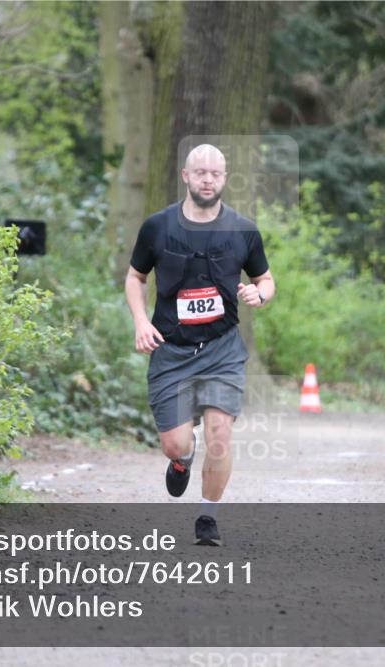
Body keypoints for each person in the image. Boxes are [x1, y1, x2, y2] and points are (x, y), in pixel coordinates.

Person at [125, 144, 275, 546]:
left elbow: (266, 279)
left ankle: (208, 517)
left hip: (222, 349)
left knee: (220, 435)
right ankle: (182, 460)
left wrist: (260, 294)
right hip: (171, 350)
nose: (208, 179)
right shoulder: (158, 227)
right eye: (200, 172)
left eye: (215, 173)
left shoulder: (243, 230)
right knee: (175, 443)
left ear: (224, 179)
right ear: (185, 176)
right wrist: (141, 322)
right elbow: (135, 278)